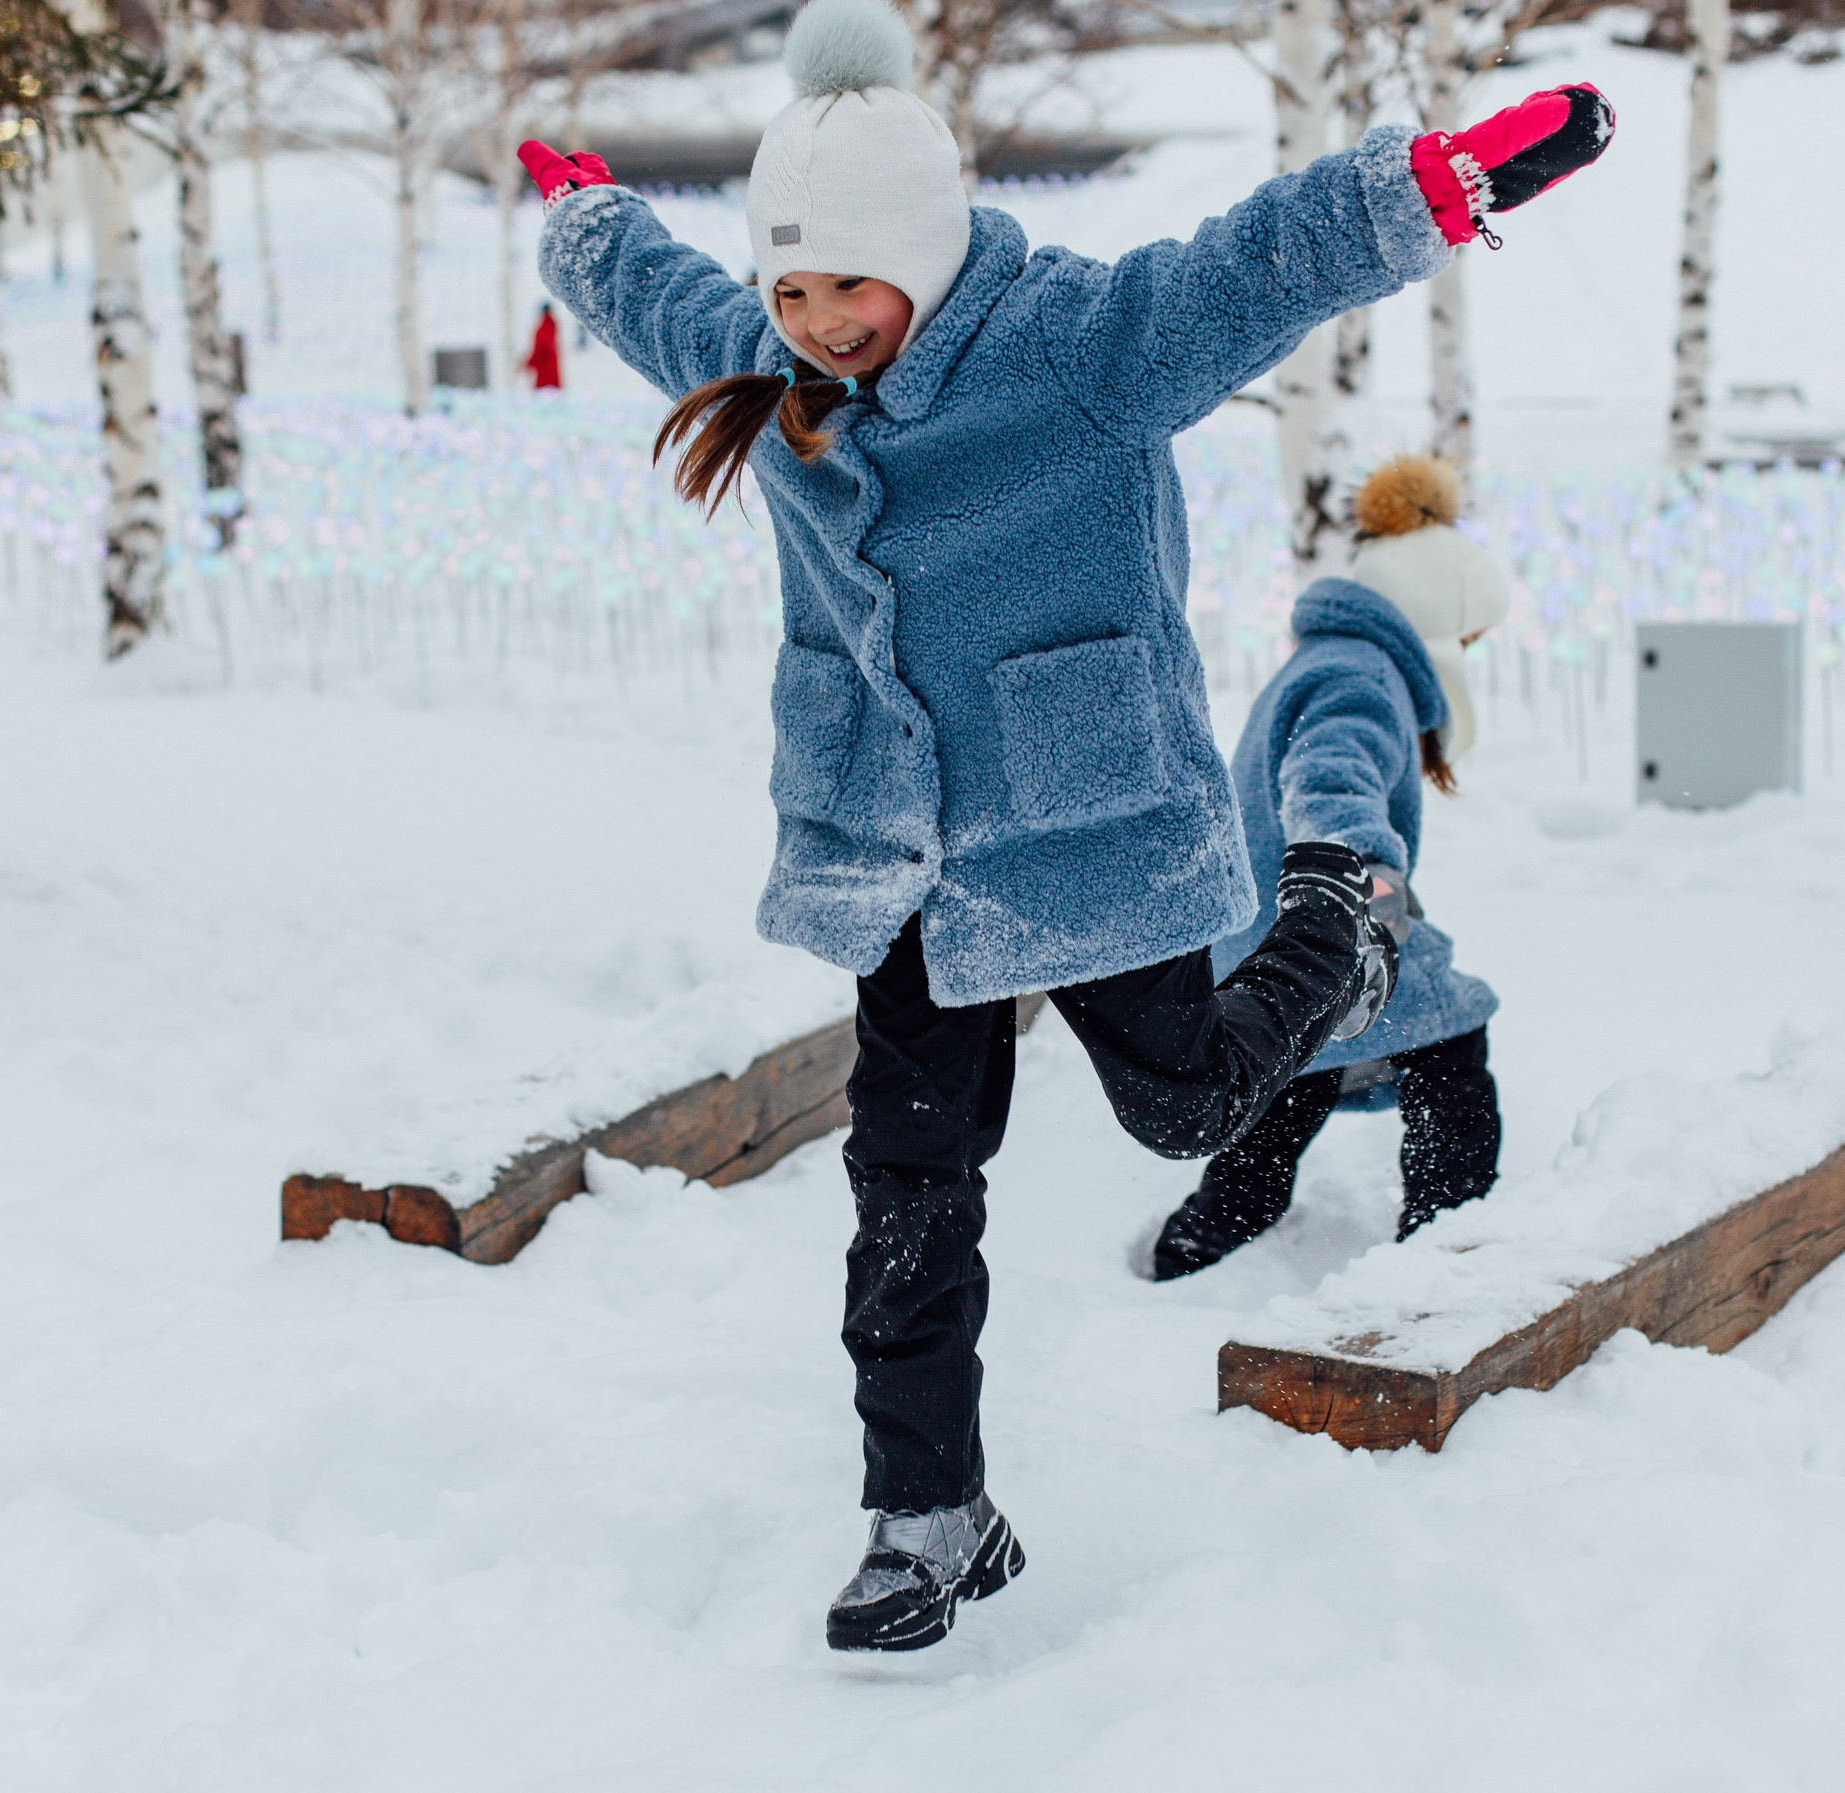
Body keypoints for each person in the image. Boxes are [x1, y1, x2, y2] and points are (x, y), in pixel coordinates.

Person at [520, 0, 1611, 1652]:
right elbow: (659, 301)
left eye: (850, 288)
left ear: (935, 253)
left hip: (1090, 820)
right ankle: (925, 1513)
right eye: (792, 290)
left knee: (1185, 1107)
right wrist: (587, 217)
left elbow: (1250, 269)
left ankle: (1344, 920)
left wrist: (1430, 190)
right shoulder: (778, 359)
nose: (820, 326)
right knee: (909, 1188)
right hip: (896, 859)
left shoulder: (1078, 349)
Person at [1153, 456, 1509, 1280]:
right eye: (1466, 637)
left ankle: (1202, 1240)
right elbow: (1328, 784)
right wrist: (1372, 889)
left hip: (1271, 929)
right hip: (1329, 913)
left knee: (1290, 1082)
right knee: (1448, 1041)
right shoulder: (1360, 676)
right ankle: (1450, 1248)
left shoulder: (1336, 658)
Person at [523, 301, 562, 390]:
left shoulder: (547, 325)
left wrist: (531, 361)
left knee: (547, 393)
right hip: (545, 368)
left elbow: (541, 347)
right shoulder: (548, 324)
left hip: (546, 370)